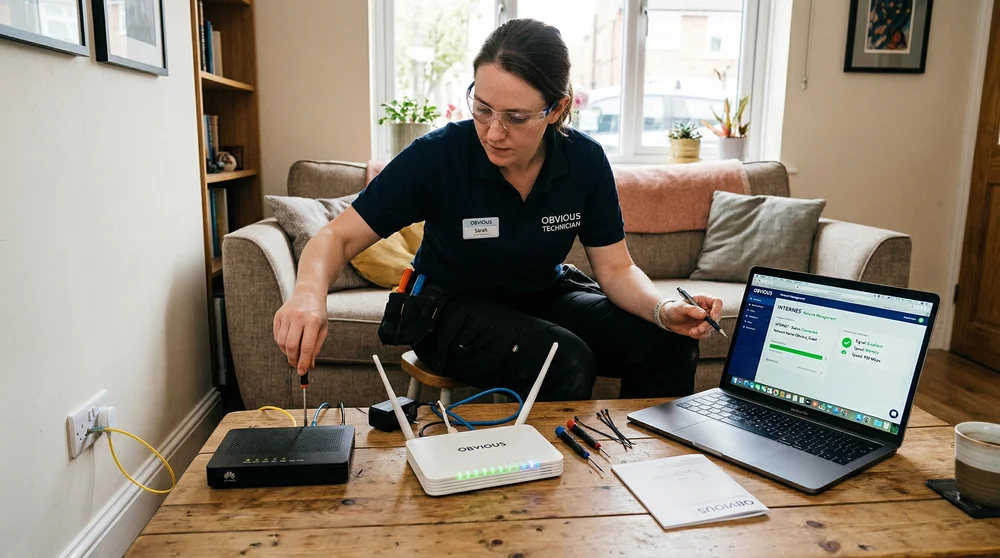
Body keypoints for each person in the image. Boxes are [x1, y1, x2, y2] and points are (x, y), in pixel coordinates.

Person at [273, 18, 724, 401]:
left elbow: (616, 269)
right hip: (448, 309)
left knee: (669, 344)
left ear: (557, 108)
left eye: (516, 117)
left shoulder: (583, 161)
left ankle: (648, 474)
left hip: (541, 299)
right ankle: (550, 492)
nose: (493, 132)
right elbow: (337, 236)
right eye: (483, 108)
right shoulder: (439, 157)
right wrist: (307, 295)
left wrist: (664, 309)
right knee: (563, 359)